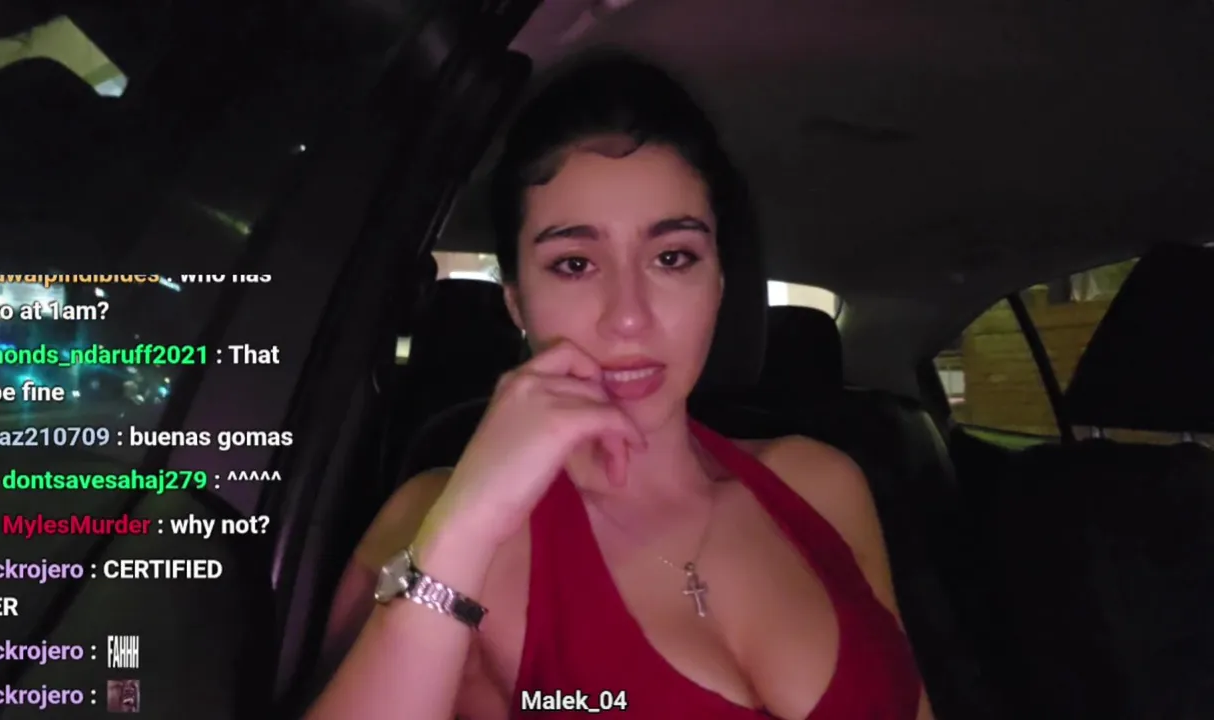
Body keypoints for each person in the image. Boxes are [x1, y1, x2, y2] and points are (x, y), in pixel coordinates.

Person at [307, 51, 931, 720]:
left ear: (719, 285)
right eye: (574, 263)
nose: (629, 316)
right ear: (517, 303)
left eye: (673, 257)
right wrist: (467, 526)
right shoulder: (431, 517)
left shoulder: (824, 482)